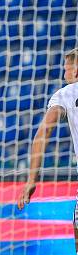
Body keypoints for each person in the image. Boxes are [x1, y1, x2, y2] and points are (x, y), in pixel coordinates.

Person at [18, 49, 78, 215]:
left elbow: (44, 131)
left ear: (76, 70)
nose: (64, 73)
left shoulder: (67, 94)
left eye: (66, 69)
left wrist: (31, 180)